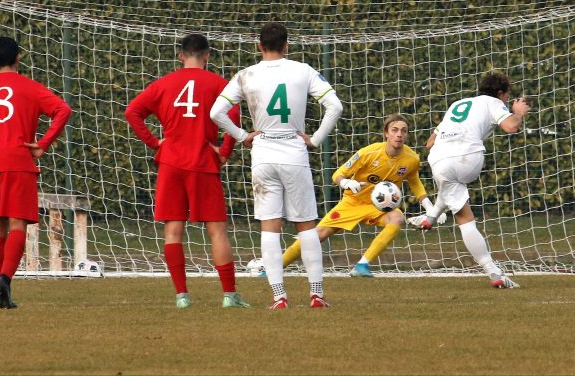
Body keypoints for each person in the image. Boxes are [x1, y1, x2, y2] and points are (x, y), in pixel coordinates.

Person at [210, 22, 343, 309]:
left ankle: (279, 296)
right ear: (286, 46)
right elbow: (335, 106)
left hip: (264, 154)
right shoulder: (303, 70)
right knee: (306, 225)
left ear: (259, 46)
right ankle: (316, 294)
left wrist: (243, 136)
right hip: (293, 151)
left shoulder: (246, 75)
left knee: (270, 227)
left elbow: (216, 112)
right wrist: (316, 139)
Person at [125, 34, 249, 309]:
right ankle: (229, 295)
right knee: (216, 230)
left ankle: (182, 296)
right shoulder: (218, 84)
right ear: (207, 55)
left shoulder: (164, 83)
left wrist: (155, 142)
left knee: (173, 231)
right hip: (203, 161)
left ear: (180, 56)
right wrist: (225, 151)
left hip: (171, 163)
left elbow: (132, 112)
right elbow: (235, 114)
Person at [281, 114, 446, 276]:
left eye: (403, 131)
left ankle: (362, 266)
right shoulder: (368, 153)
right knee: (318, 234)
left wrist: (430, 208)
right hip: (353, 202)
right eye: (394, 130)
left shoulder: (412, 159)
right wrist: (347, 183)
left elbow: (414, 182)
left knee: (397, 218)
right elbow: (338, 174)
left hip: (379, 208)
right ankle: (276, 267)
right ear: (386, 133)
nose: (399, 134)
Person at [407, 72, 530, 288]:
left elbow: (429, 142)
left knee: (450, 186)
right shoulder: (493, 102)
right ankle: (494, 273)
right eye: (506, 95)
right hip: (468, 157)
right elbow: (511, 126)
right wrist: (517, 113)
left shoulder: (458, 103)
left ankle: (431, 217)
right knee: (465, 219)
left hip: (437, 159)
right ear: (500, 93)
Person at [0, 36, 72, 309]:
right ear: (18, 57)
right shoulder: (29, 87)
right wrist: (42, 145)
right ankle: (4, 279)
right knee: (17, 224)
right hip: (19, 160)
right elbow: (63, 111)